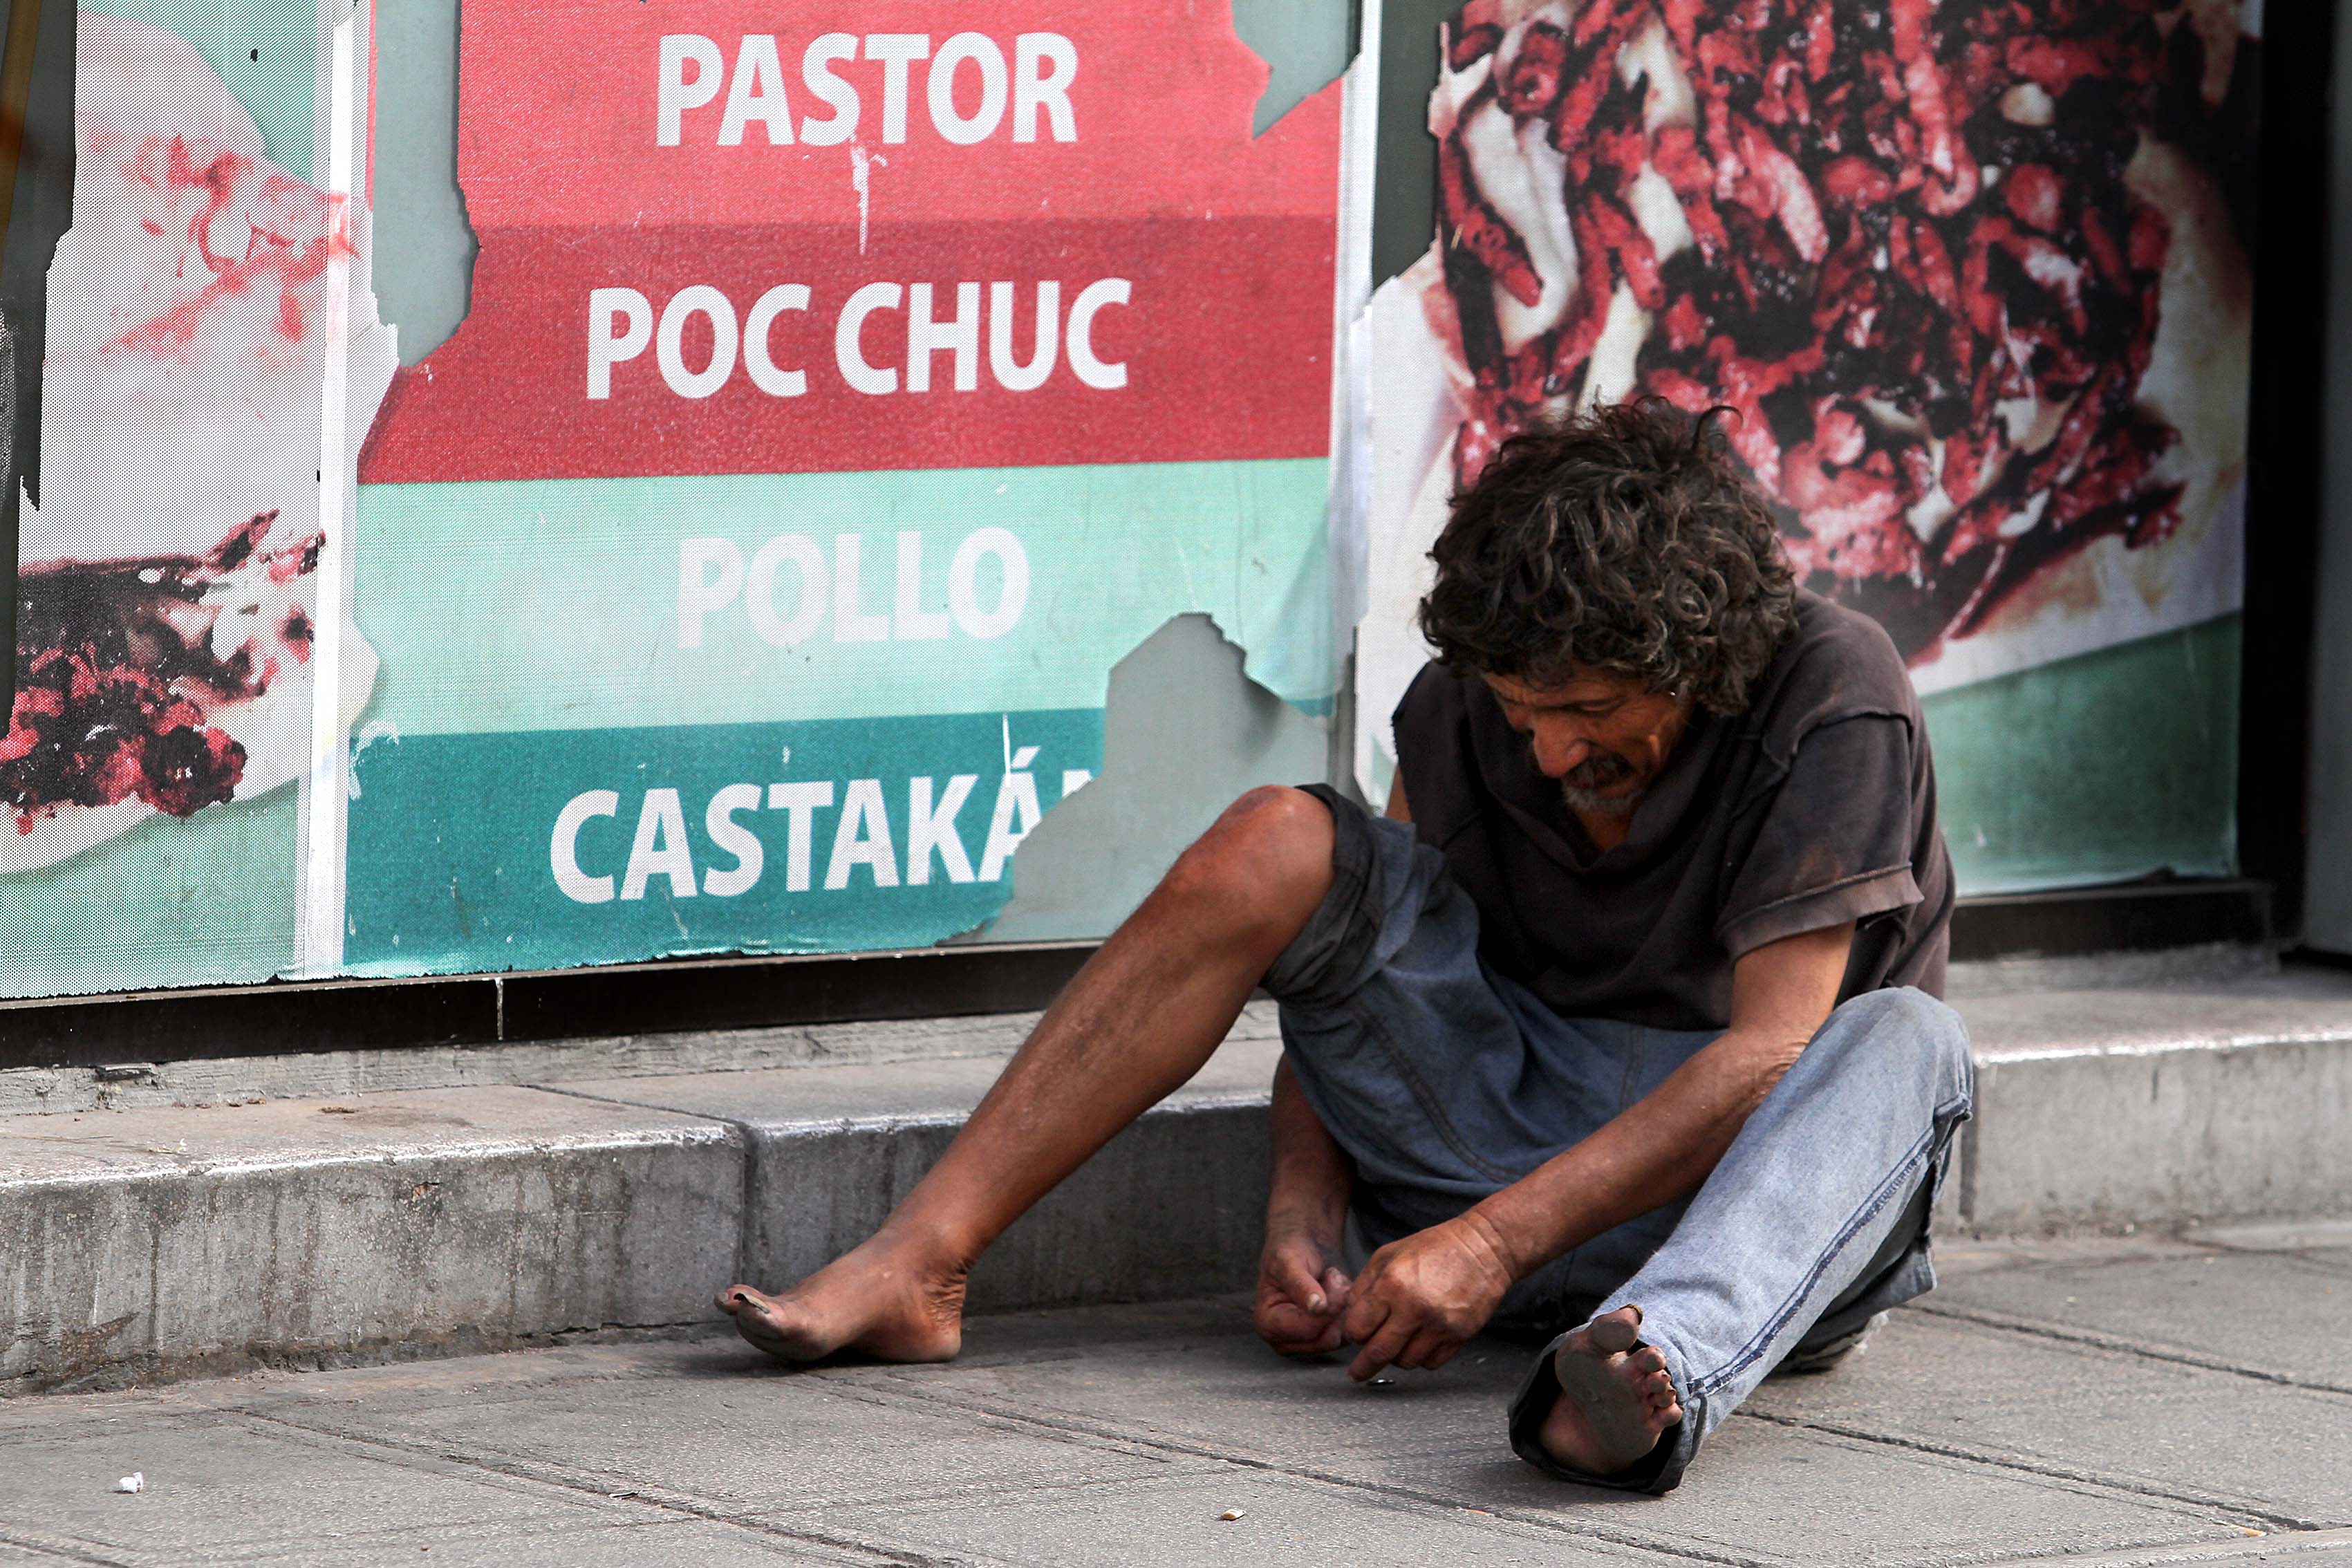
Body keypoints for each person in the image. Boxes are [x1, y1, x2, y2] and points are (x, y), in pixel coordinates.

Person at [716, 398, 1971, 1493]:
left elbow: (1767, 1058)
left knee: (1904, 1038)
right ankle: (919, 1264)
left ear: (1701, 660)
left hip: (1746, 1216)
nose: (1548, 752)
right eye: (1521, 711)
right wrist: (1303, 1213)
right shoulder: (1461, 703)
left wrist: (1489, 1245)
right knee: (1279, 837)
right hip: (1493, 1159)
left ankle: (1647, 1375)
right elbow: (1373, 965)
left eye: (1591, 709)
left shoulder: (1830, 687)